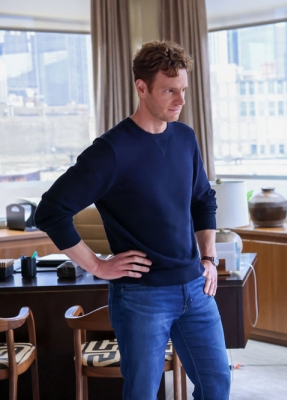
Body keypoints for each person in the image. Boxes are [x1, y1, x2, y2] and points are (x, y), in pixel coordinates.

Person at [34, 41, 230, 399]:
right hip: (142, 297)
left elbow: (203, 200)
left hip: (196, 288)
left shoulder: (185, 138)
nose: (180, 100)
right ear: (142, 87)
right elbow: (50, 211)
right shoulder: (110, 151)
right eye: (169, 90)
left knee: (217, 384)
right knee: (142, 393)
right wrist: (98, 266)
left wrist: (208, 257)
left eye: (184, 89)